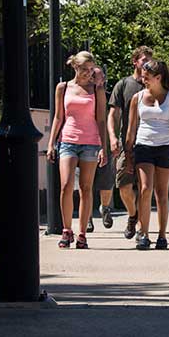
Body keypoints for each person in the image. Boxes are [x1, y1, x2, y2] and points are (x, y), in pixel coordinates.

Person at [46, 51, 108, 249]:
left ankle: (82, 233)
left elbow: (101, 119)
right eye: (83, 69)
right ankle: (67, 230)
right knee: (65, 185)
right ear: (75, 67)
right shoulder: (63, 88)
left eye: (91, 70)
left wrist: (103, 147)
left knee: (86, 188)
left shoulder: (96, 90)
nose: (87, 73)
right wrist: (51, 143)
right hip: (68, 140)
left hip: (90, 142)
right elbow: (58, 117)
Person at [125, 59, 169, 250]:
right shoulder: (137, 98)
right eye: (142, 76)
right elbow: (131, 129)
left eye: (147, 77)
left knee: (161, 193)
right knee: (145, 189)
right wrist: (128, 154)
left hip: (166, 146)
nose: (143, 80)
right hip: (144, 146)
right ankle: (144, 233)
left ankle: (162, 235)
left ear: (158, 78)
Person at [106, 46, 152, 239]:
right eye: (144, 61)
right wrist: (113, 137)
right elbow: (113, 114)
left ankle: (142, 229)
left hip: (149, 143)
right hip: (128, 143)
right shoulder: (124, 84)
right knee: (124, 186)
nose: (147, 65)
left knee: (144, 187)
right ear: (135, 62)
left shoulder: (154, 85)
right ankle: (133, 215)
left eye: (150, 61)